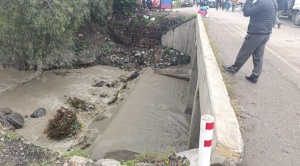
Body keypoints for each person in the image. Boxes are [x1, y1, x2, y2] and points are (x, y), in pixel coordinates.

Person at [223, 0, 277, 84]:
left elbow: (247, 12)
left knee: (244, 52)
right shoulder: (272, 2)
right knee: (258, 56)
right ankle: (255, 76)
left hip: (257, 33)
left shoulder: (263, 2)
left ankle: (233, 69)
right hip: (266, 33)